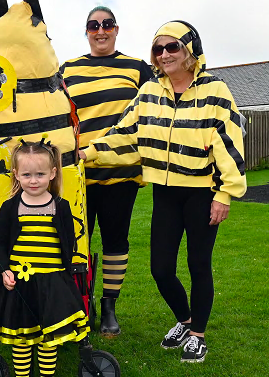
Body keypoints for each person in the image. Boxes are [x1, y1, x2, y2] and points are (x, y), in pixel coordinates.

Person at [81, 21, 247, 362]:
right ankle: (185, 321)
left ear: (190, 49)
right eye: (158, 49)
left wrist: (225, 193)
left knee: (199, 265)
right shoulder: (149, 92)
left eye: (173, 47)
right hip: (165, 192)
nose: (165, 54)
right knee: (161, 269)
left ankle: (198, 334)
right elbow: (124, 132)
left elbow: (229, 142)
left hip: (202, 193)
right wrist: (88, 151)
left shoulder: (215, 90)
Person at [60, 6, 154, 336]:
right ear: (86, 31)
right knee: (74, 242)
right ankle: (82, 303)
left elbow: (155, 111)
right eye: (93, 25)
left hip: (120, 172)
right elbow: (55, 112)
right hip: (77, 174)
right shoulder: (67, 69)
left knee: (116, 240)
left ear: (117, 29)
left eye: (107, 24)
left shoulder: (138, 68)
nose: (101, 30)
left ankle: (109, 306)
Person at [0, 139, 90, 377]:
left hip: (53, 283)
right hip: (19, 283)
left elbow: (69, 242)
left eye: (40, 174)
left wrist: (65, 275)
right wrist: (5, 270)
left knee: (50, 338)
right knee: (22, 338)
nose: (33, 180)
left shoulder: (61, 206)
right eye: (27, 175)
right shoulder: (10, 207)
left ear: (52, 173)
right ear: (16, 175)